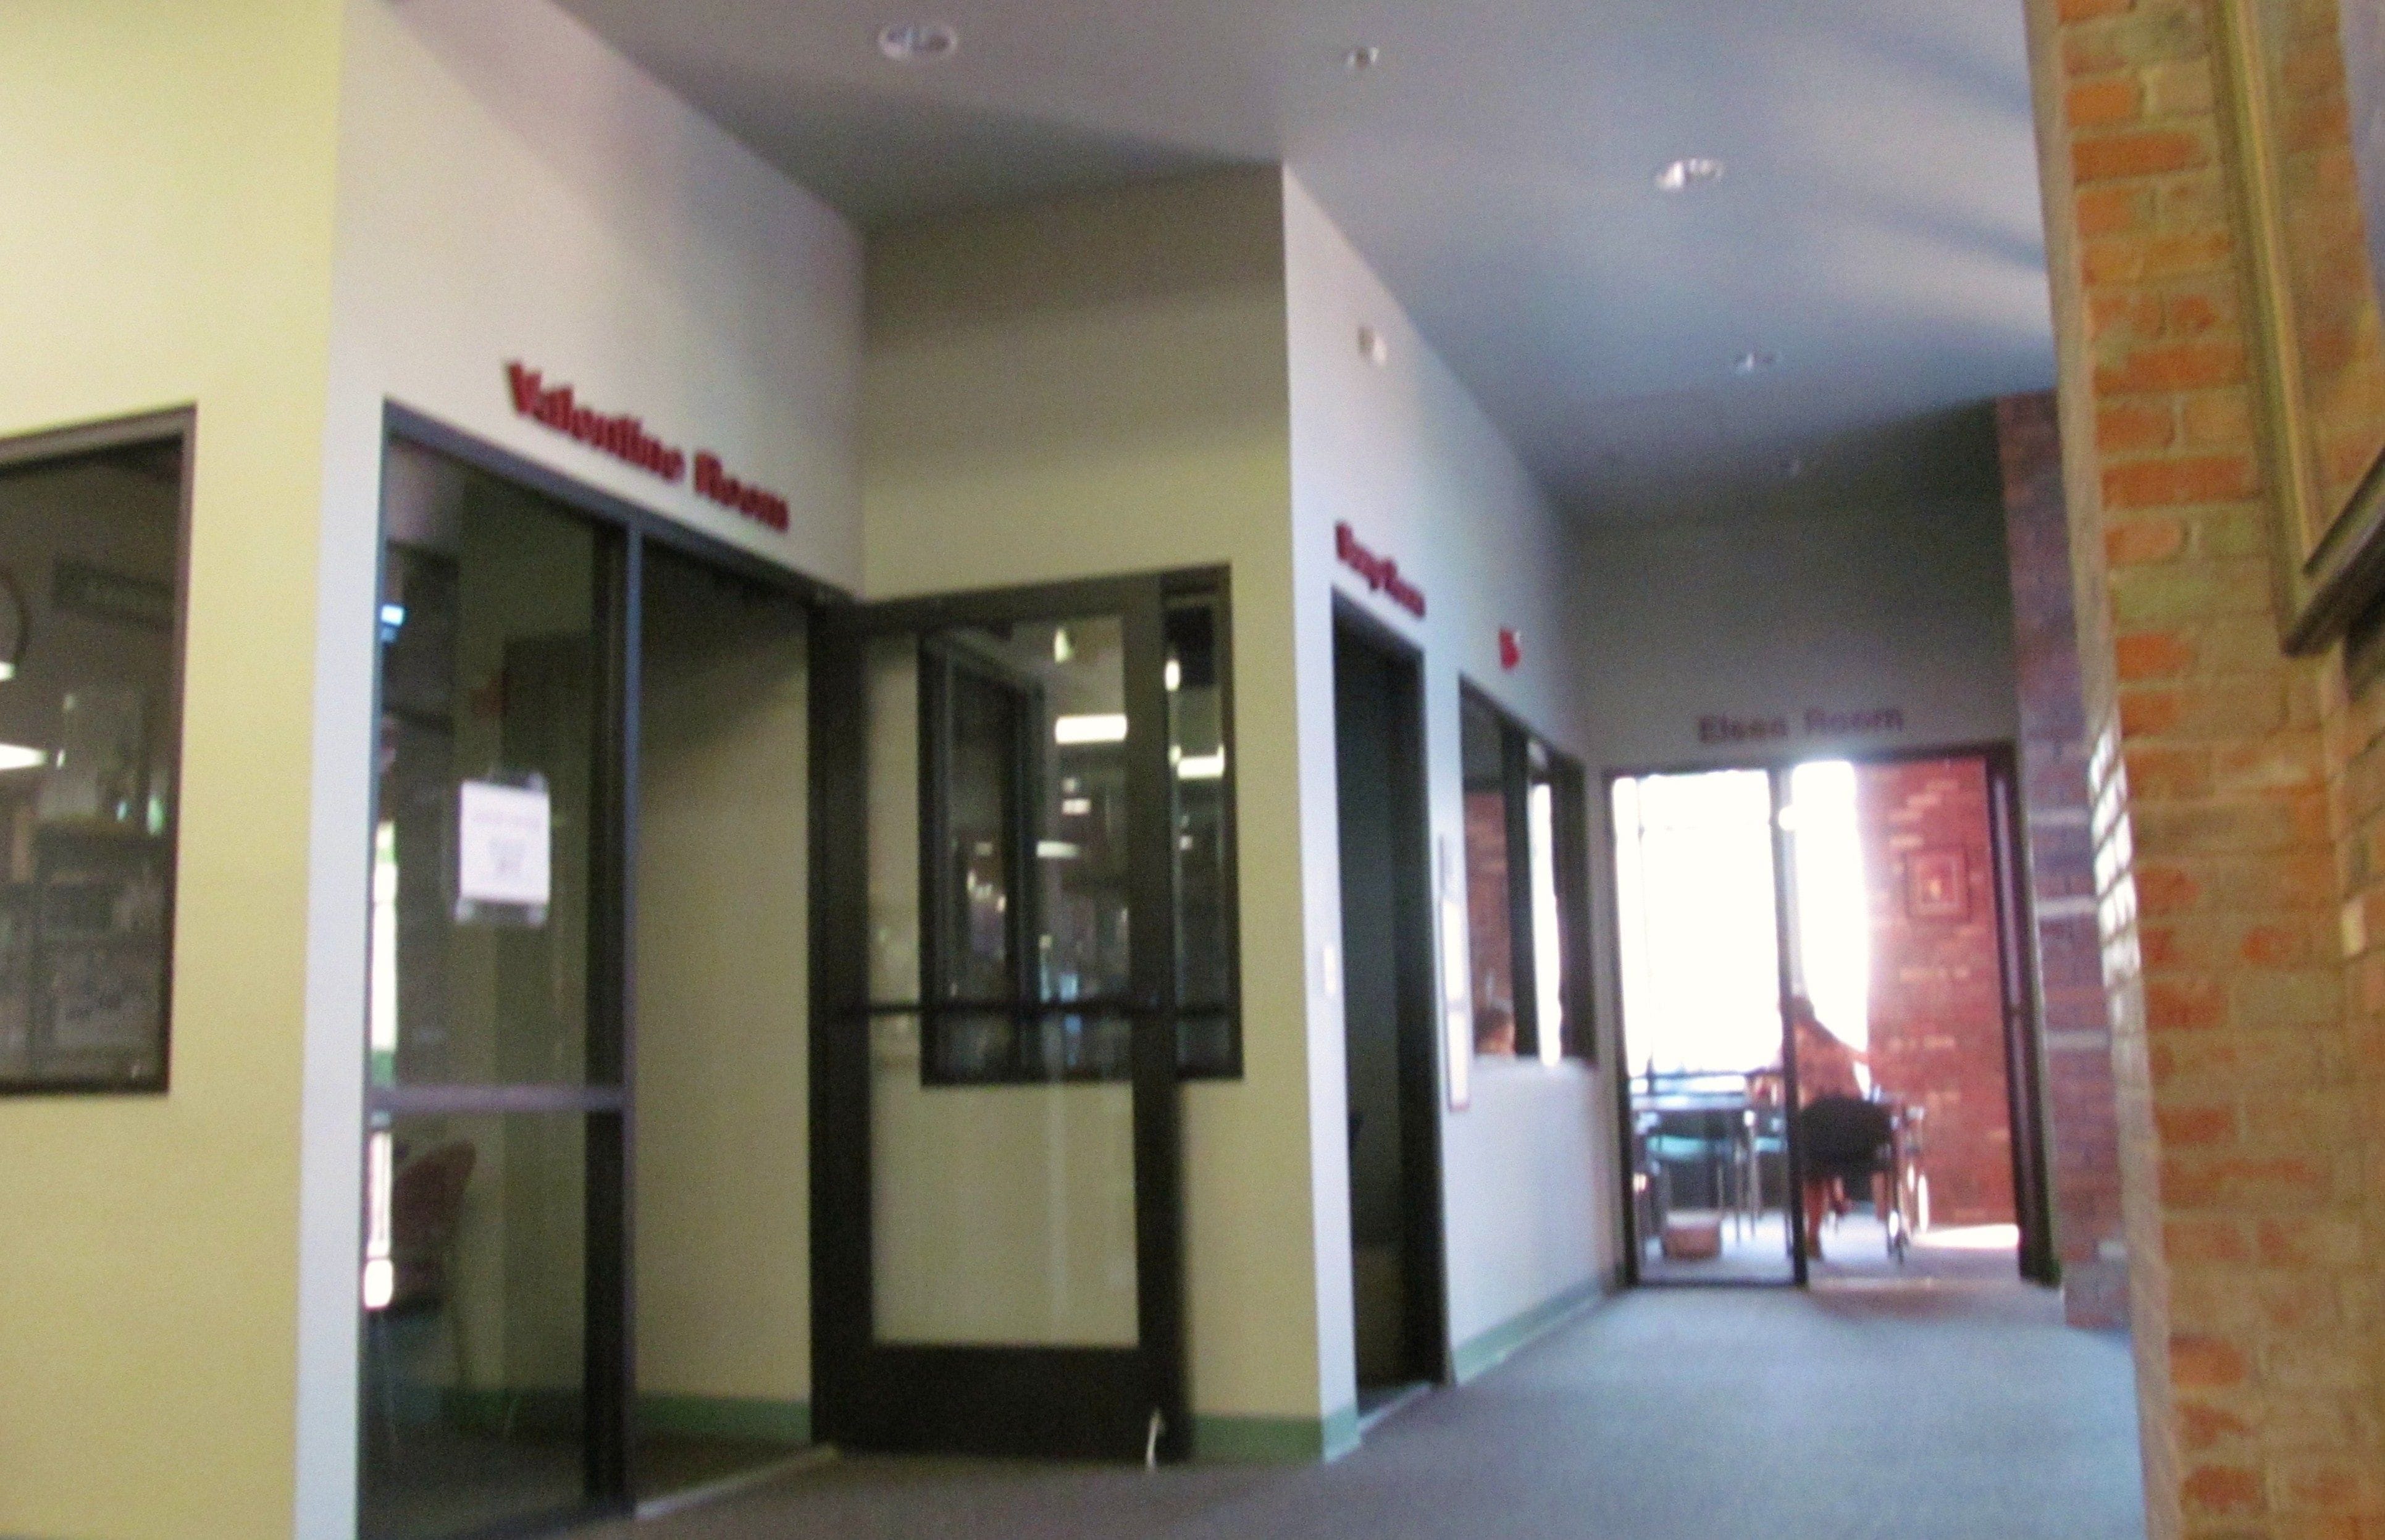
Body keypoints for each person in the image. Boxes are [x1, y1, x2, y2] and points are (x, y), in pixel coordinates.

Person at [1782, 997, 1882, 1261]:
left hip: (1823, 1128)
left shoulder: (1795, 1044)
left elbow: (1776, 1081)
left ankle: (1812, 1235)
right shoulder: (1832, 1041)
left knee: (1811, 1158)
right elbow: (1867, 1061)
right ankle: (1836, 1197)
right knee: (1822, 1142)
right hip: (1857, 1130)